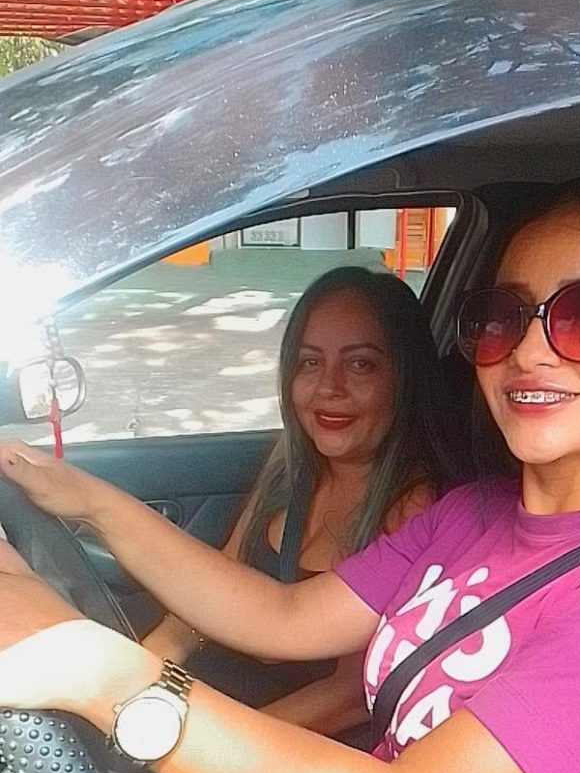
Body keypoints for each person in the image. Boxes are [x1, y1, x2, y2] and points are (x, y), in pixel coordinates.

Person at [1, 170, 580, 773]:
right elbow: (281, 613)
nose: (530, 350)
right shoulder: (473, 512)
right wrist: (84, 500)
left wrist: (101, 675)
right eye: (504, 316)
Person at [143, 265, 458, 743]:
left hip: (288, 745)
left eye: (360, 365)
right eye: (309, 363)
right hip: (210, 707)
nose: (328, 387)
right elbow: (218, 585)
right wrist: (143, 671)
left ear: (405, 378)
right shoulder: (291, 464)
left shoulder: (418, 509)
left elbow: (350, 694)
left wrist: (199, 742)